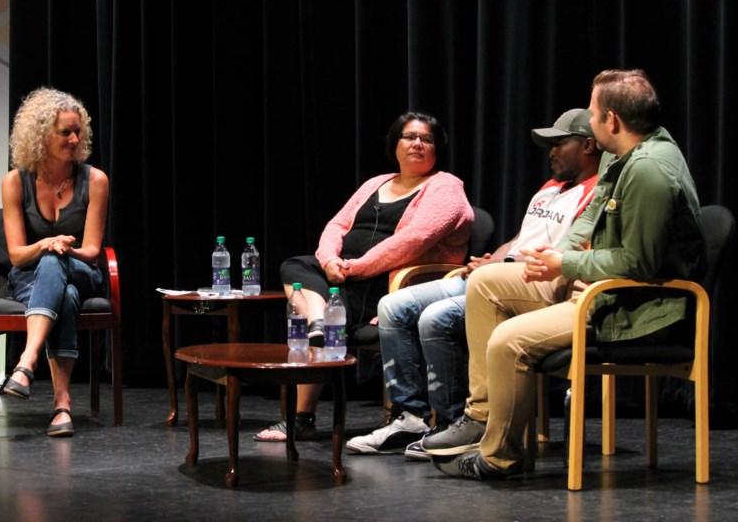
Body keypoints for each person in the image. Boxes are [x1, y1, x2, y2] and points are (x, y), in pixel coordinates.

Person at [421, 69, 705, 479]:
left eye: (592, 113)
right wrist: (556, 254)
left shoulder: (649, 170)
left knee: (508, 341)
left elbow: (638, 264)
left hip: (636, 306)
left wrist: (566, 266)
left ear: (612, 121)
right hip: (600, 287)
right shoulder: (619, 155)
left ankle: (500, 457)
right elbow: (590, 216)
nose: (589, 122)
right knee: (484, 284)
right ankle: (482, 416)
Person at [345, 108, 602, 456]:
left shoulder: (598, 192)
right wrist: (492, 260)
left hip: (529, 287)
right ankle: (410, 418)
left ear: (588, 146)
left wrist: (507, 267)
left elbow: (570, 253)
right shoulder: (552, 186)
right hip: (492, 276)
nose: (551, 151)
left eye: (559, 143)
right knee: (391, 305)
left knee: (435, 317)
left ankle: (453, 424)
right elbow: (519, 238)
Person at [254, 111, 475, 442]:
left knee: (329, 303)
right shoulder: (377, 183)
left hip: (390, 283)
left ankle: (302, 417)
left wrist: (353, 268)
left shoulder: (445, 186)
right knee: (297, 266)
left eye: (426, 139)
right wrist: (329, 260)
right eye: (409, 137)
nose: (417, 144)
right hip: (344, 274)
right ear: (394, 145)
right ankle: (319, 325)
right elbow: (337, 225)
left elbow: (411, 241)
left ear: (436, 148)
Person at [0, 87, 110, 438]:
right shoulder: (15, 182)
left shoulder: (95, 181)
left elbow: (93, 250)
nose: (75, 138)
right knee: (64, 294)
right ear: (41, 135)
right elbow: (16, 254)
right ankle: (62, 405)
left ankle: (26, 363)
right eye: (66, 132)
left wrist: (65, 248)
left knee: (55, 260)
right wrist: (47, 243)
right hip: (30, 275)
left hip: (82, 268)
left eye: (79, 131)